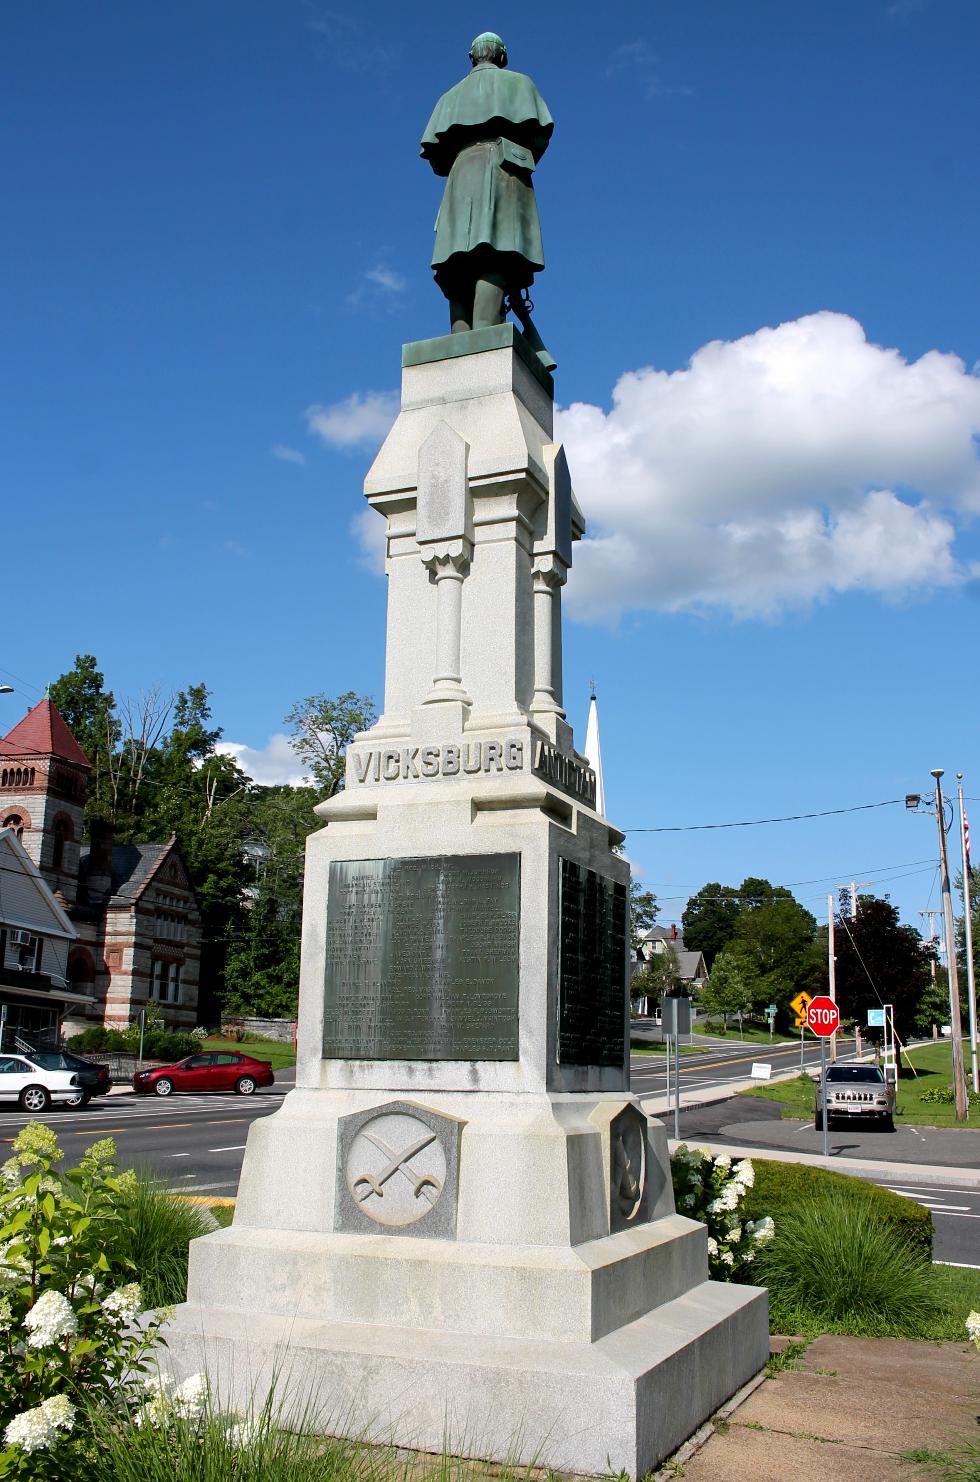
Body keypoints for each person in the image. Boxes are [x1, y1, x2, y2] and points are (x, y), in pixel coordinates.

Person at [421, 33, 555, 362]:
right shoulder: (521, 84)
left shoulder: (448, 97)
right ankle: (484, 332)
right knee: (494, 254)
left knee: (457, 260)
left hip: (460, 174)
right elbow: (539, 136)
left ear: (472, 57)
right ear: (502, 55)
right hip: (503, 169)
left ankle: (461, 336)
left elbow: (436, 157)